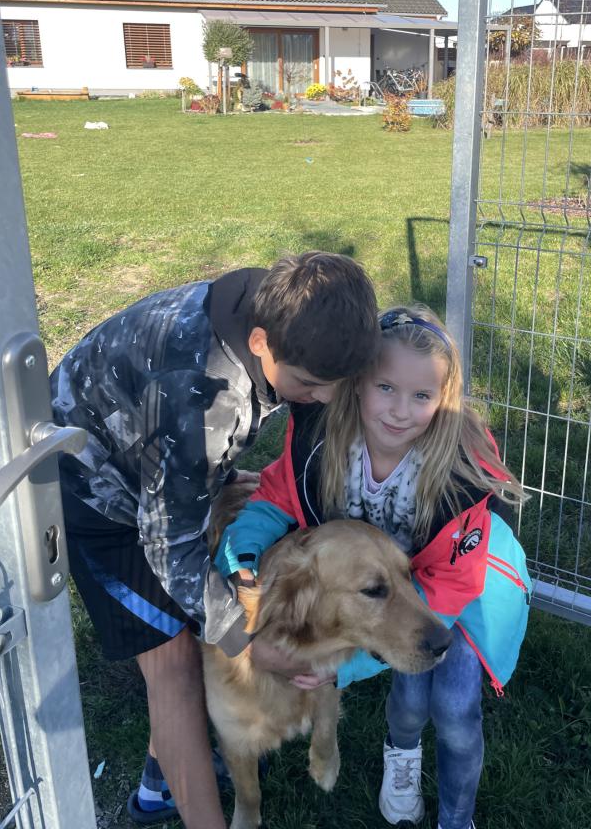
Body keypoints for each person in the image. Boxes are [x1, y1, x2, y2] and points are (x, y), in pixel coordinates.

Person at [50, 252, 379, 828]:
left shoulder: (284, 312)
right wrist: (247, 641)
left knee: (192, 617)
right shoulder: (202, 397)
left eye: (335, 386)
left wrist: (208, 480)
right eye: (308, 385)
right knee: (174, 664)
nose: (325, 398)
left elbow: (170, 442)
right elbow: (169, 546)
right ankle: (178, 804)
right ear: (259, 342)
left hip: (152, 454)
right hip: (90, 491)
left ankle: (164, 776)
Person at [217, 304, 532, 829]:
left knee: (455, 707)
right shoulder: (322, 440)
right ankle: (402, 751)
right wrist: (241, 561)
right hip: (392, 590)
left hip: (459, 589)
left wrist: (342, 667)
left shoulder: (459, 475)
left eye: (422, 396)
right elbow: (276, 497)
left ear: (444, 400)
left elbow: (450, 586)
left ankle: (457, 819)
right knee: (409, 700)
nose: (400, 411)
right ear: (358, 384)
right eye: (386, 387)